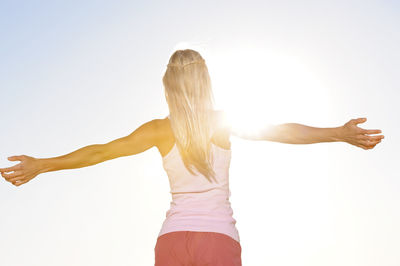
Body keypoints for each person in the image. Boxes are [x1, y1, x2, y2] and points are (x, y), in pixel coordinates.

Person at [0, 49, 384, 266]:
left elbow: (100, 152)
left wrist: (41, 165)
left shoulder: (157, 130)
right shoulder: (221, 122)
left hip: (171, 241)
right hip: (217, 240)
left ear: (167, 86)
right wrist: (338, 133)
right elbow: (282, 131)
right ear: (206, 82)